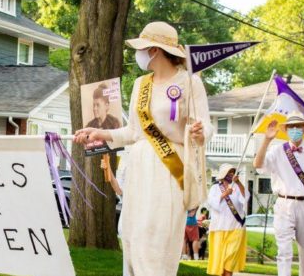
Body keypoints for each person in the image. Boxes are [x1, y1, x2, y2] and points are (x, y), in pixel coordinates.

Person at [73, 21, 213, 275]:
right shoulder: (141, 84)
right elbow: (134, 131)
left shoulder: (189, 83)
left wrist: (200, 133)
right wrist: (100, 132)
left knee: (156, 240)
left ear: (154, 50)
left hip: (169, 170)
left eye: (142, 48)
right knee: (132, 236)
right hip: (138, 169)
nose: (138, 54)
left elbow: (204, 126)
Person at [252, 111, 304, 276]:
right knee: (283, 249)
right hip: (284, 203)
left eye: (299, 126)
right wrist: (267, 140)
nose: (295, 129)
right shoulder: (277, 150)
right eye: (291, 126)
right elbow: (257, 164)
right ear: (286, 129)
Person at [205, 164, 249, 276]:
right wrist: (224, 194)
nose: (232, 175)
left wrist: (238, 183)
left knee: (230, 261)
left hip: (236, 228)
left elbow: (246, 198)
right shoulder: (215, 188)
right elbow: (211, 203)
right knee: (220, 263)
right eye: (229, 172)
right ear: (223, 175)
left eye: (233, 172)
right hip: (219, 228)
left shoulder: (238, 187)